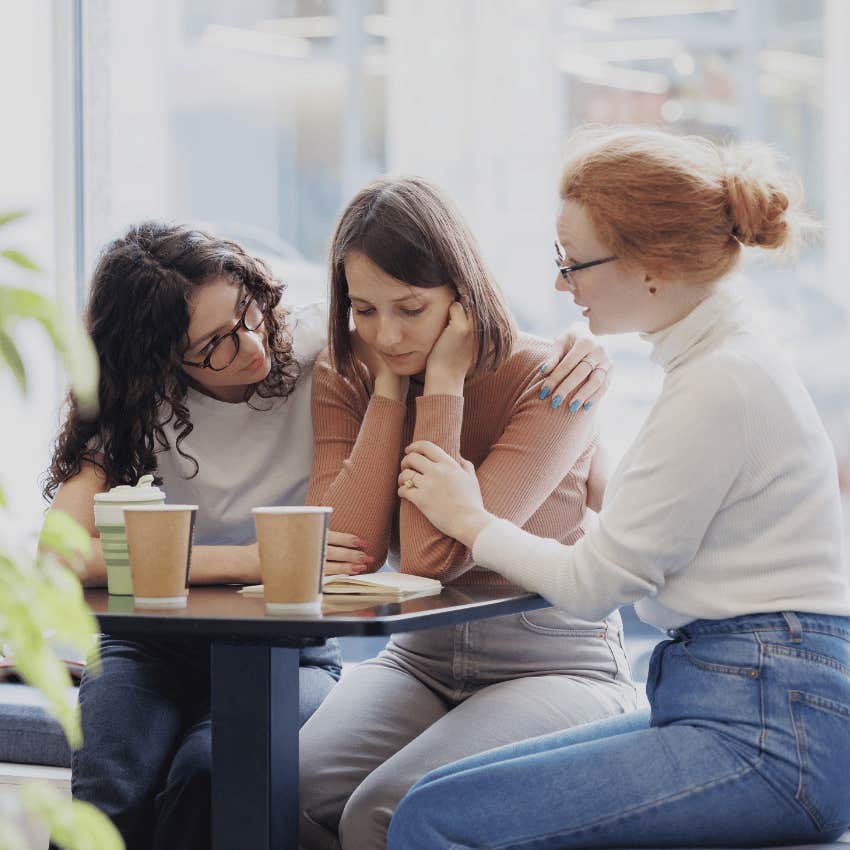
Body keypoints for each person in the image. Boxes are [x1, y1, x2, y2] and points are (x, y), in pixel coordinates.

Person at [389, 127, 850, 849]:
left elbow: (599, 582)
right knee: (432, 799)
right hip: (752, 699)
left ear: (655, 266)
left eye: (573, 264)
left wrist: (471, 519)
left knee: (433, 820)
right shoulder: (721, 363)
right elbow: (648, 523)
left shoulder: (720, 382)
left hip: (769, 728)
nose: (559, 284)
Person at [298, 176, 639, 850]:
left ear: (461, 293)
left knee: (383, 812)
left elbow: (433, 557)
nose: (386, 334)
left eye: (410, 308)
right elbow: (346, 553)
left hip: (555, 664)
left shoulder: (553, 380)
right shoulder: (348, 371)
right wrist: (390, 390)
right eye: (364, 311)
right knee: (289, 787)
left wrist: (444, 385)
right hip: (419, 659)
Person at [42, 222, 366, 849]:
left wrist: (576, 349)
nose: (250, 346)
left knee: (211, 774)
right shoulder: (134, 398)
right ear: (163, 361)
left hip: (290, 648)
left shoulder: (312, 344)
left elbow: (446, 331)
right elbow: (60, 554)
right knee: (111, 794)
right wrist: (247, 560)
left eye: (247, 312)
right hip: (148, 645)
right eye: (214, 344)